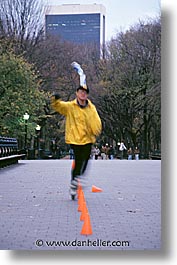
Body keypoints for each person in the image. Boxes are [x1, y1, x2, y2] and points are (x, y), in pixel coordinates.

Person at [51, 85, 102, 198]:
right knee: (79, 160)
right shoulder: (71, 106)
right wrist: (55, 99)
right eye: (80, 92)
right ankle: (74, 182)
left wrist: (96, 130)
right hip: (75, 138)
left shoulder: (91, 108)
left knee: (86, 159)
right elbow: (59, 106)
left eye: (85, 92)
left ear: (87, 95)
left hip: (88, 138)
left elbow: (96, 120)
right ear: (77, 93)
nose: (83, 94)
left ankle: (77, 179)